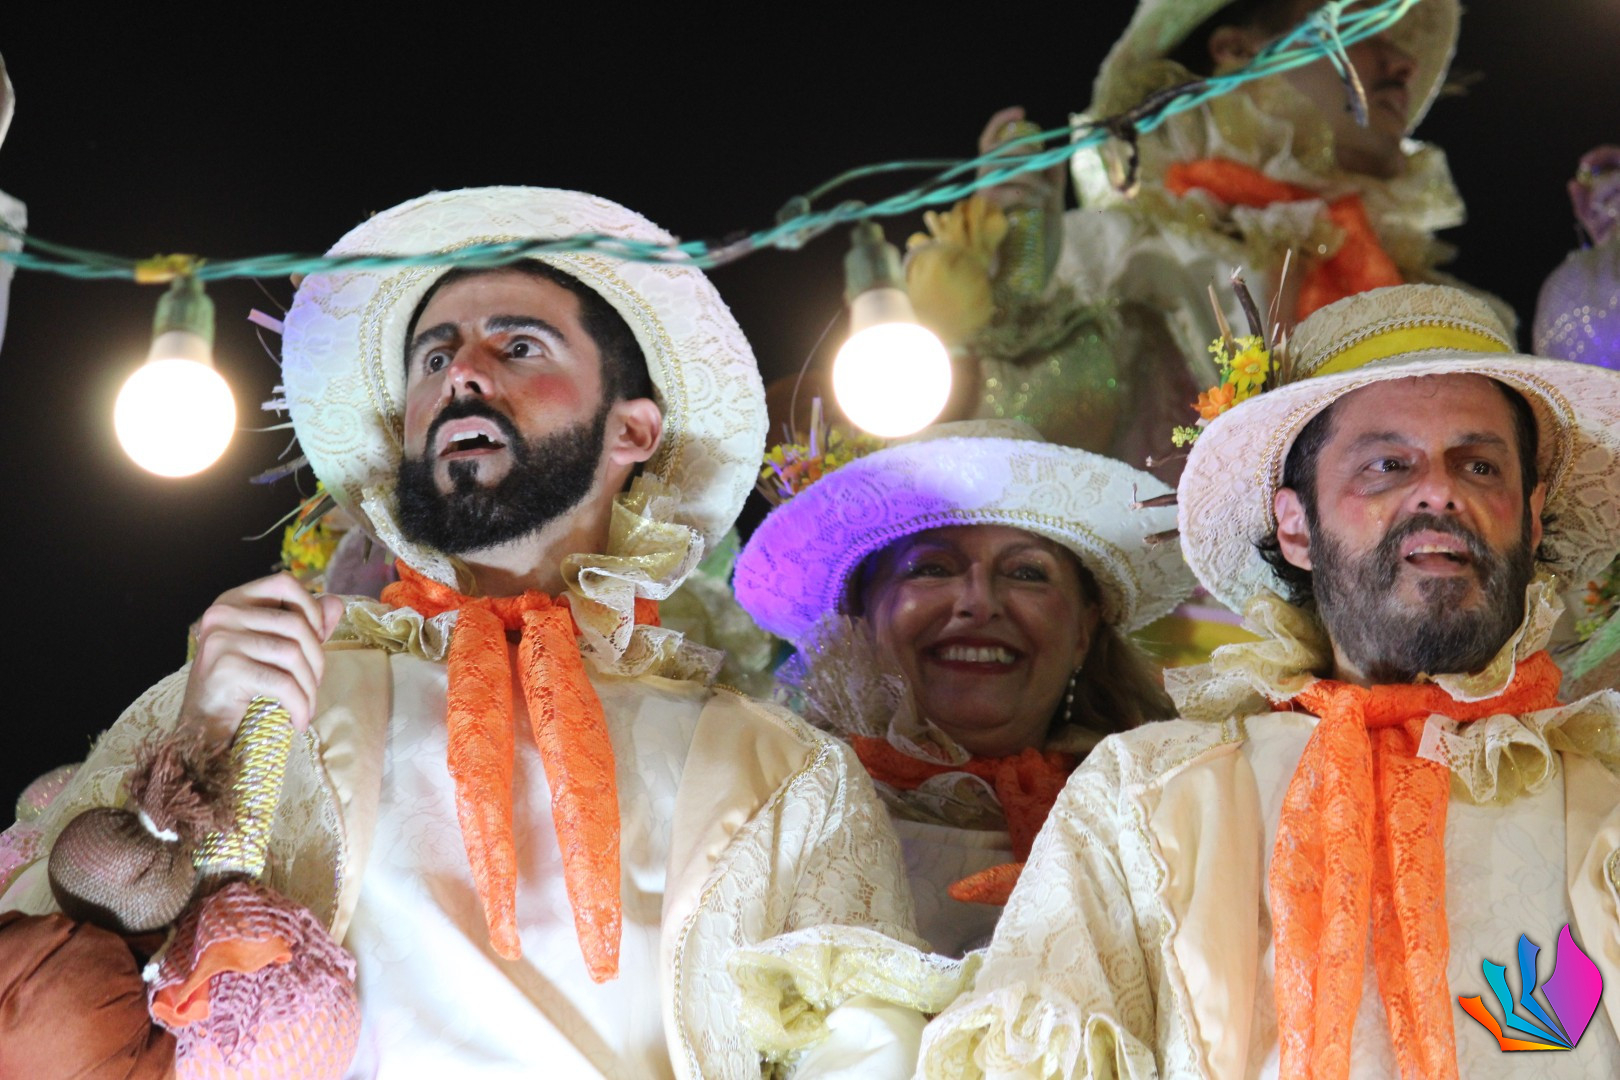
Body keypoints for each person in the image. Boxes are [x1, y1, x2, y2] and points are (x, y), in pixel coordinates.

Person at [0, 187, 924, 1079]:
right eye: (433, 358)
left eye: (518, 346)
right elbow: (47, 987)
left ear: (633, 430)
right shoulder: (271, 689)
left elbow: (870, 1051)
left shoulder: (783, 773)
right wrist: (197, 748)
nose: (463, 376)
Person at [917, 283, 1620, 1078]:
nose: (1440, 490)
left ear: (1531, 517)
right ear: (1295, 526)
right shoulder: (1144, 801)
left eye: (1480, 464)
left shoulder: (1606, 799)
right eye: (1387, 465)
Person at [941, 0, 1495, 471]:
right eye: (1356, 27)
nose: (1403, 63)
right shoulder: (1114, 256)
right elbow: (997, 475)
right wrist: (1013, 304)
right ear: (1237, 51)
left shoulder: (1427, 302)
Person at [733, 422, 1191, 958]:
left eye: (1027, 573)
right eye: (931, 568)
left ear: (1083, 632)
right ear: (860, 613)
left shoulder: (1161, 816)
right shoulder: (773, 811)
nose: (979, 603)